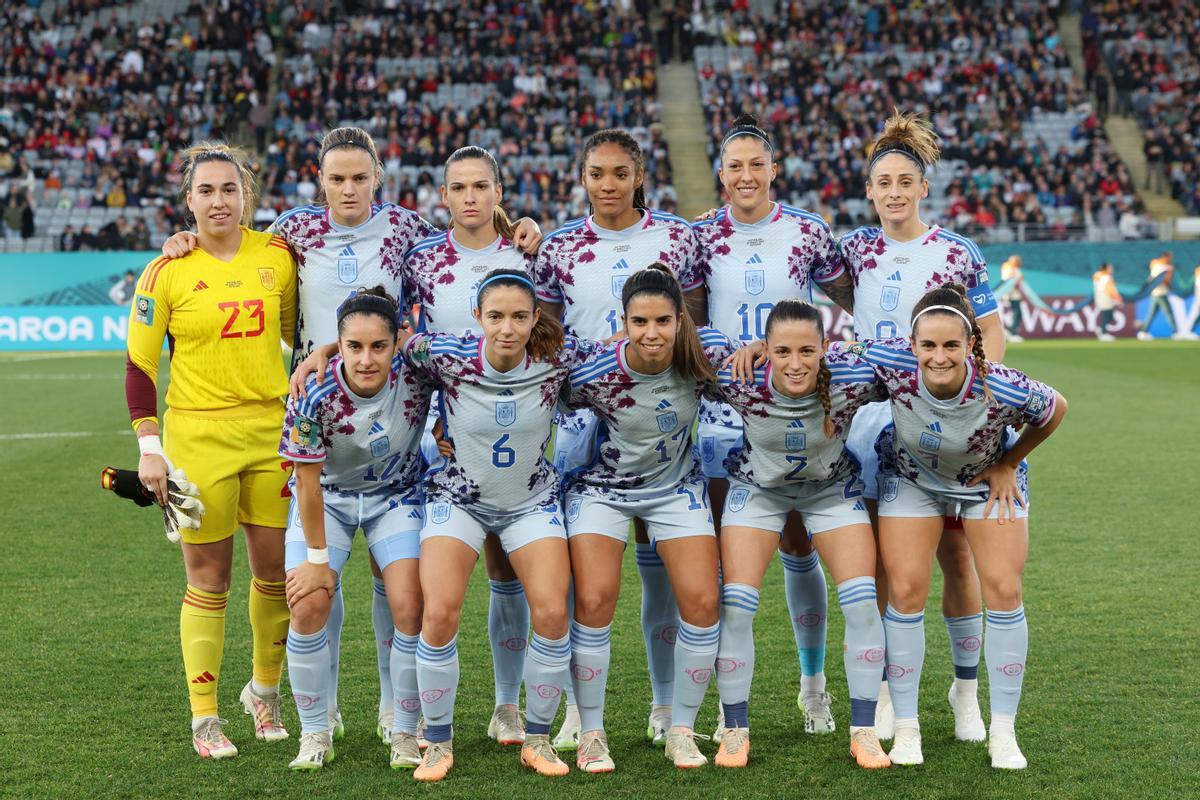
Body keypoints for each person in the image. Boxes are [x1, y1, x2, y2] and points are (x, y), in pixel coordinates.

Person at [167, 127, 543, 741]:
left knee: (388, 572)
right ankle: (321, 705)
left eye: (359, 177)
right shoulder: (293, 231)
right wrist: (185, 240)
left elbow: (468, 239)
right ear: (320, 181)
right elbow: (232, 246)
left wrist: (517, 223)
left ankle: (393, 707)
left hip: (392, 406)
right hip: (315, 409)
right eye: (336, 178)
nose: (348, 188)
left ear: (378, 180)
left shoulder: (404, 231)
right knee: (321, 567)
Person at [533, 129, 705, 750]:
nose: (608, 184)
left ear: (639, 176)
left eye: (619, 173)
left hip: (662, 416)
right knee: (590, 579)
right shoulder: (558, 249)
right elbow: (545, 337)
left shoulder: (677, 239)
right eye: (596, 174)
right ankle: (584, 714)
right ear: (583, 179)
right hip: (585, 418)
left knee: (664, 566)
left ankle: (665, 707)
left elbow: (696, 324)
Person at [126, 141, 297, 759]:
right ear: (188, 200)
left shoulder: (277, 256)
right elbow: (139, 368)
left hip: (273, 434)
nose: (219, 200)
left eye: (230, 189)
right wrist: (151, 449)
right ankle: (205, 716)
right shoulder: (165, 270)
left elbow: (297, 337)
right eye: (206, 191)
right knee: (210, 579)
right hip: (197, 437)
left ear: (247, 193)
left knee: (277, 573)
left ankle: (265, 695)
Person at [839, 111, 1005, 741]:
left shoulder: (956, 252)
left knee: (956, 556)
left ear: (923, 186)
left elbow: (989, 333)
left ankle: (965, 692)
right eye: (883, 181)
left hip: (943, 422)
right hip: (871, 423)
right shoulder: (856, 249)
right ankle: (885, 687)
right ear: (870, 188)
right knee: (888, 563)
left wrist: (979, 402)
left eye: (905, 180)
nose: (894, 191)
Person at [855, 283, 1068, 769]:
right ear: (911, 346)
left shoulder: (1003, 384)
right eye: (928, 345)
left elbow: (1056, 408)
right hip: (911, 479)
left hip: (983, 482)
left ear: (972, 343)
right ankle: (906, 729)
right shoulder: (890, 362)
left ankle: (1003, 732)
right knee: (906, 590)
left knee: (1004, 589)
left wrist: (1010, 462)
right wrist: (764, 349)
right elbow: (823, 355)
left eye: (951, 345)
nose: (939, 356)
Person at [693, 114, 857, 736]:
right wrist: (727, 347)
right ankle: (717, 697)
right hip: (719, 409)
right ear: (721, 173)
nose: (745, 175)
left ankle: (813, 688)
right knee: (721, 554)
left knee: (796, 541)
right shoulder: (700, 235)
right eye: (734, 166)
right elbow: (689, 315)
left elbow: (855, 302)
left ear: (773, 170)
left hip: (794, 408)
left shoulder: (808, 232)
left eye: (755, 164)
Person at [402, 269, 592, 781]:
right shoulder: (443, 354)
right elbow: (384, 346)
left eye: (518, 317)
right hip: (458, 499)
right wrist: (319, 354)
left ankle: (537, 738)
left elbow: (630, 350)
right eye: (496, 316)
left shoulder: (559, 359)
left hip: (531, 501)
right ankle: (437, 742)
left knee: (552, 613)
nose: (507, 328)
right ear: (477, 317)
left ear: (535, 319)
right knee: (439, 612)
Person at [563, 265, 732, 772]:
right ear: (623, 321)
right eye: (639, 322)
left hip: (674, 488)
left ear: (681, 320)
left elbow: (760, 371)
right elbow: (529, 392)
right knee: (593, 599)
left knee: (703, 602)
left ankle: (681, 728)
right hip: (602, 490)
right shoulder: (595, 367)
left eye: (662, 320)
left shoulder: (702, 358)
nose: (651, 333)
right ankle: (591, 732)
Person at [712, 300, 890, 770]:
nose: (795, 364)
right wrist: (746, 349)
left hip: (830, 491)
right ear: (765, 350)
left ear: (826, 349)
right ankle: (734, 730)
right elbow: (681, 345)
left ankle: (865, 732)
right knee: (736, 605)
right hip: (757, 490)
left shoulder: (852, 377)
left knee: (861, 601)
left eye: (808, 351)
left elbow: (910, 351)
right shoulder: (738, 376)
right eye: (782, 351)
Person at [403, 146, 539, 746]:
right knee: (435, 587)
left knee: (506, 568)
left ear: (498, 191)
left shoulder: (528, 254)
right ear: (444, 196)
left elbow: (551, 337)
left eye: (480, 186)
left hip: (514, 434)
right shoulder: (422, 261)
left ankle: (507, 706)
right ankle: (415, 717)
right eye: (458, 188)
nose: (469, 197)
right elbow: (404, 337)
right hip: (443, 435)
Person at [279, 287, 432, 771]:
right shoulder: (313, 390)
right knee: (307, 603)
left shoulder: (418, 372)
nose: (366, 359)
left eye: (379, 347)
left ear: (397, 344)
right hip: (327, 499)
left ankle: (402, 726)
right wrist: (320, 564)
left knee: (410, 604)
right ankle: (316, 729)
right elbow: (305, 480)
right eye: (353, 347)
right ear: (337, 346)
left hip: (397, 496)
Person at [1138, 251, 1177, 340]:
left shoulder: (1154, 263)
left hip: (1154, 292)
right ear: (1166, 257)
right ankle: (1176, 332)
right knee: (1169, 312)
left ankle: (1143, 332)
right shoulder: (1168, 267)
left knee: (1151, 314)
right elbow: (1166, 281)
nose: (1171, 259)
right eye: (1169, 257)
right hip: (1161, 293)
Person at [1093, 262, 1121, 341]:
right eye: (1110, 267)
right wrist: (1117, 298)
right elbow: (1109, 289)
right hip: (1106, 297)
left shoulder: (1097, 274)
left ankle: (1101, 329)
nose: (1112, 269)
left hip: (1100, 296)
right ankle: (1104, 334)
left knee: (1109, 316)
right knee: (1106, 315)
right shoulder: (1106, 276)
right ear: (1106, 268)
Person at [1000, 256, 1025, 342]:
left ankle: (1012, 332)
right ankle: (1012, 333)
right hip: (1012, 295)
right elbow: (1008, 282)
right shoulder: (1008, 269)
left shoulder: (1015, 269)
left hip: (1017, 295)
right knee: (1016, 313)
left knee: (1018, 314)